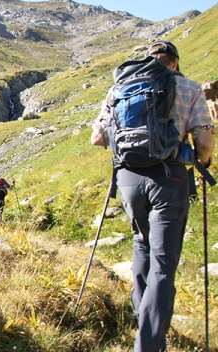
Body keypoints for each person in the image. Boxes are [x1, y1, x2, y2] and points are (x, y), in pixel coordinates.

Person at [90, 41, 215, 352]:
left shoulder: (120, 87)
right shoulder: (187, 87)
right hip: (170, 178)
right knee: (163, 264)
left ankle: (141, 316)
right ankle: (148, 344)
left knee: (141, 243)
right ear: (174, 62)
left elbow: (97, 139)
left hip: (129, 178)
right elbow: (205, 141)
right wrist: (206, 161)